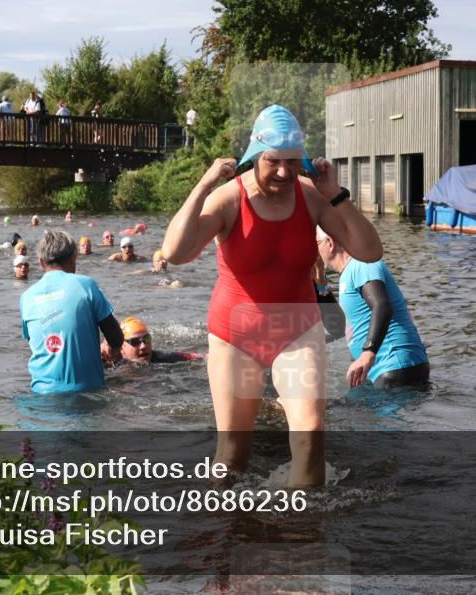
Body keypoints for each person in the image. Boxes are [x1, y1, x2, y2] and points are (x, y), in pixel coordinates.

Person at [161, 104, 382, 486]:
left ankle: (300, 536)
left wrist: (336, 195)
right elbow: (176, 254)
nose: (283, 172)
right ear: (253, 157)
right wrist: (203, 186)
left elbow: (369, 252)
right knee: (232, 454)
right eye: (273, 161)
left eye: (293, 162)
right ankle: (226, 534)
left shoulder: (312, 196)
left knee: (311, 439)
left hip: (296, 330)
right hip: (236, 335)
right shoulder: (229, 199)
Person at [316, 228, 429, 389]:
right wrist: (320, 279)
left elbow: (382, 307)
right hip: (385, 370)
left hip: (397, 367)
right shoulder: (348, 274)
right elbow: (337, 327)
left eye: (315, 244)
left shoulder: (363, 263)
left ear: (330, 243)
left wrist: (368, 352)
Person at [19, 231, 124, 393]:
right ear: (73, 259)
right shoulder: (86, 285)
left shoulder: (26, 297)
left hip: (40, 392)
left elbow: (36, 343)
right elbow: (116, 338)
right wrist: (111, 351)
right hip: (86, 391)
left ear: (41, 263)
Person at [103, 317, 204, 366]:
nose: (143, 346)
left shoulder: (161, 358)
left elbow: (196, 357)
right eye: (135, 342)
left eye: (147, 339)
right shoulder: (110, 364)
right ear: (121, 348)